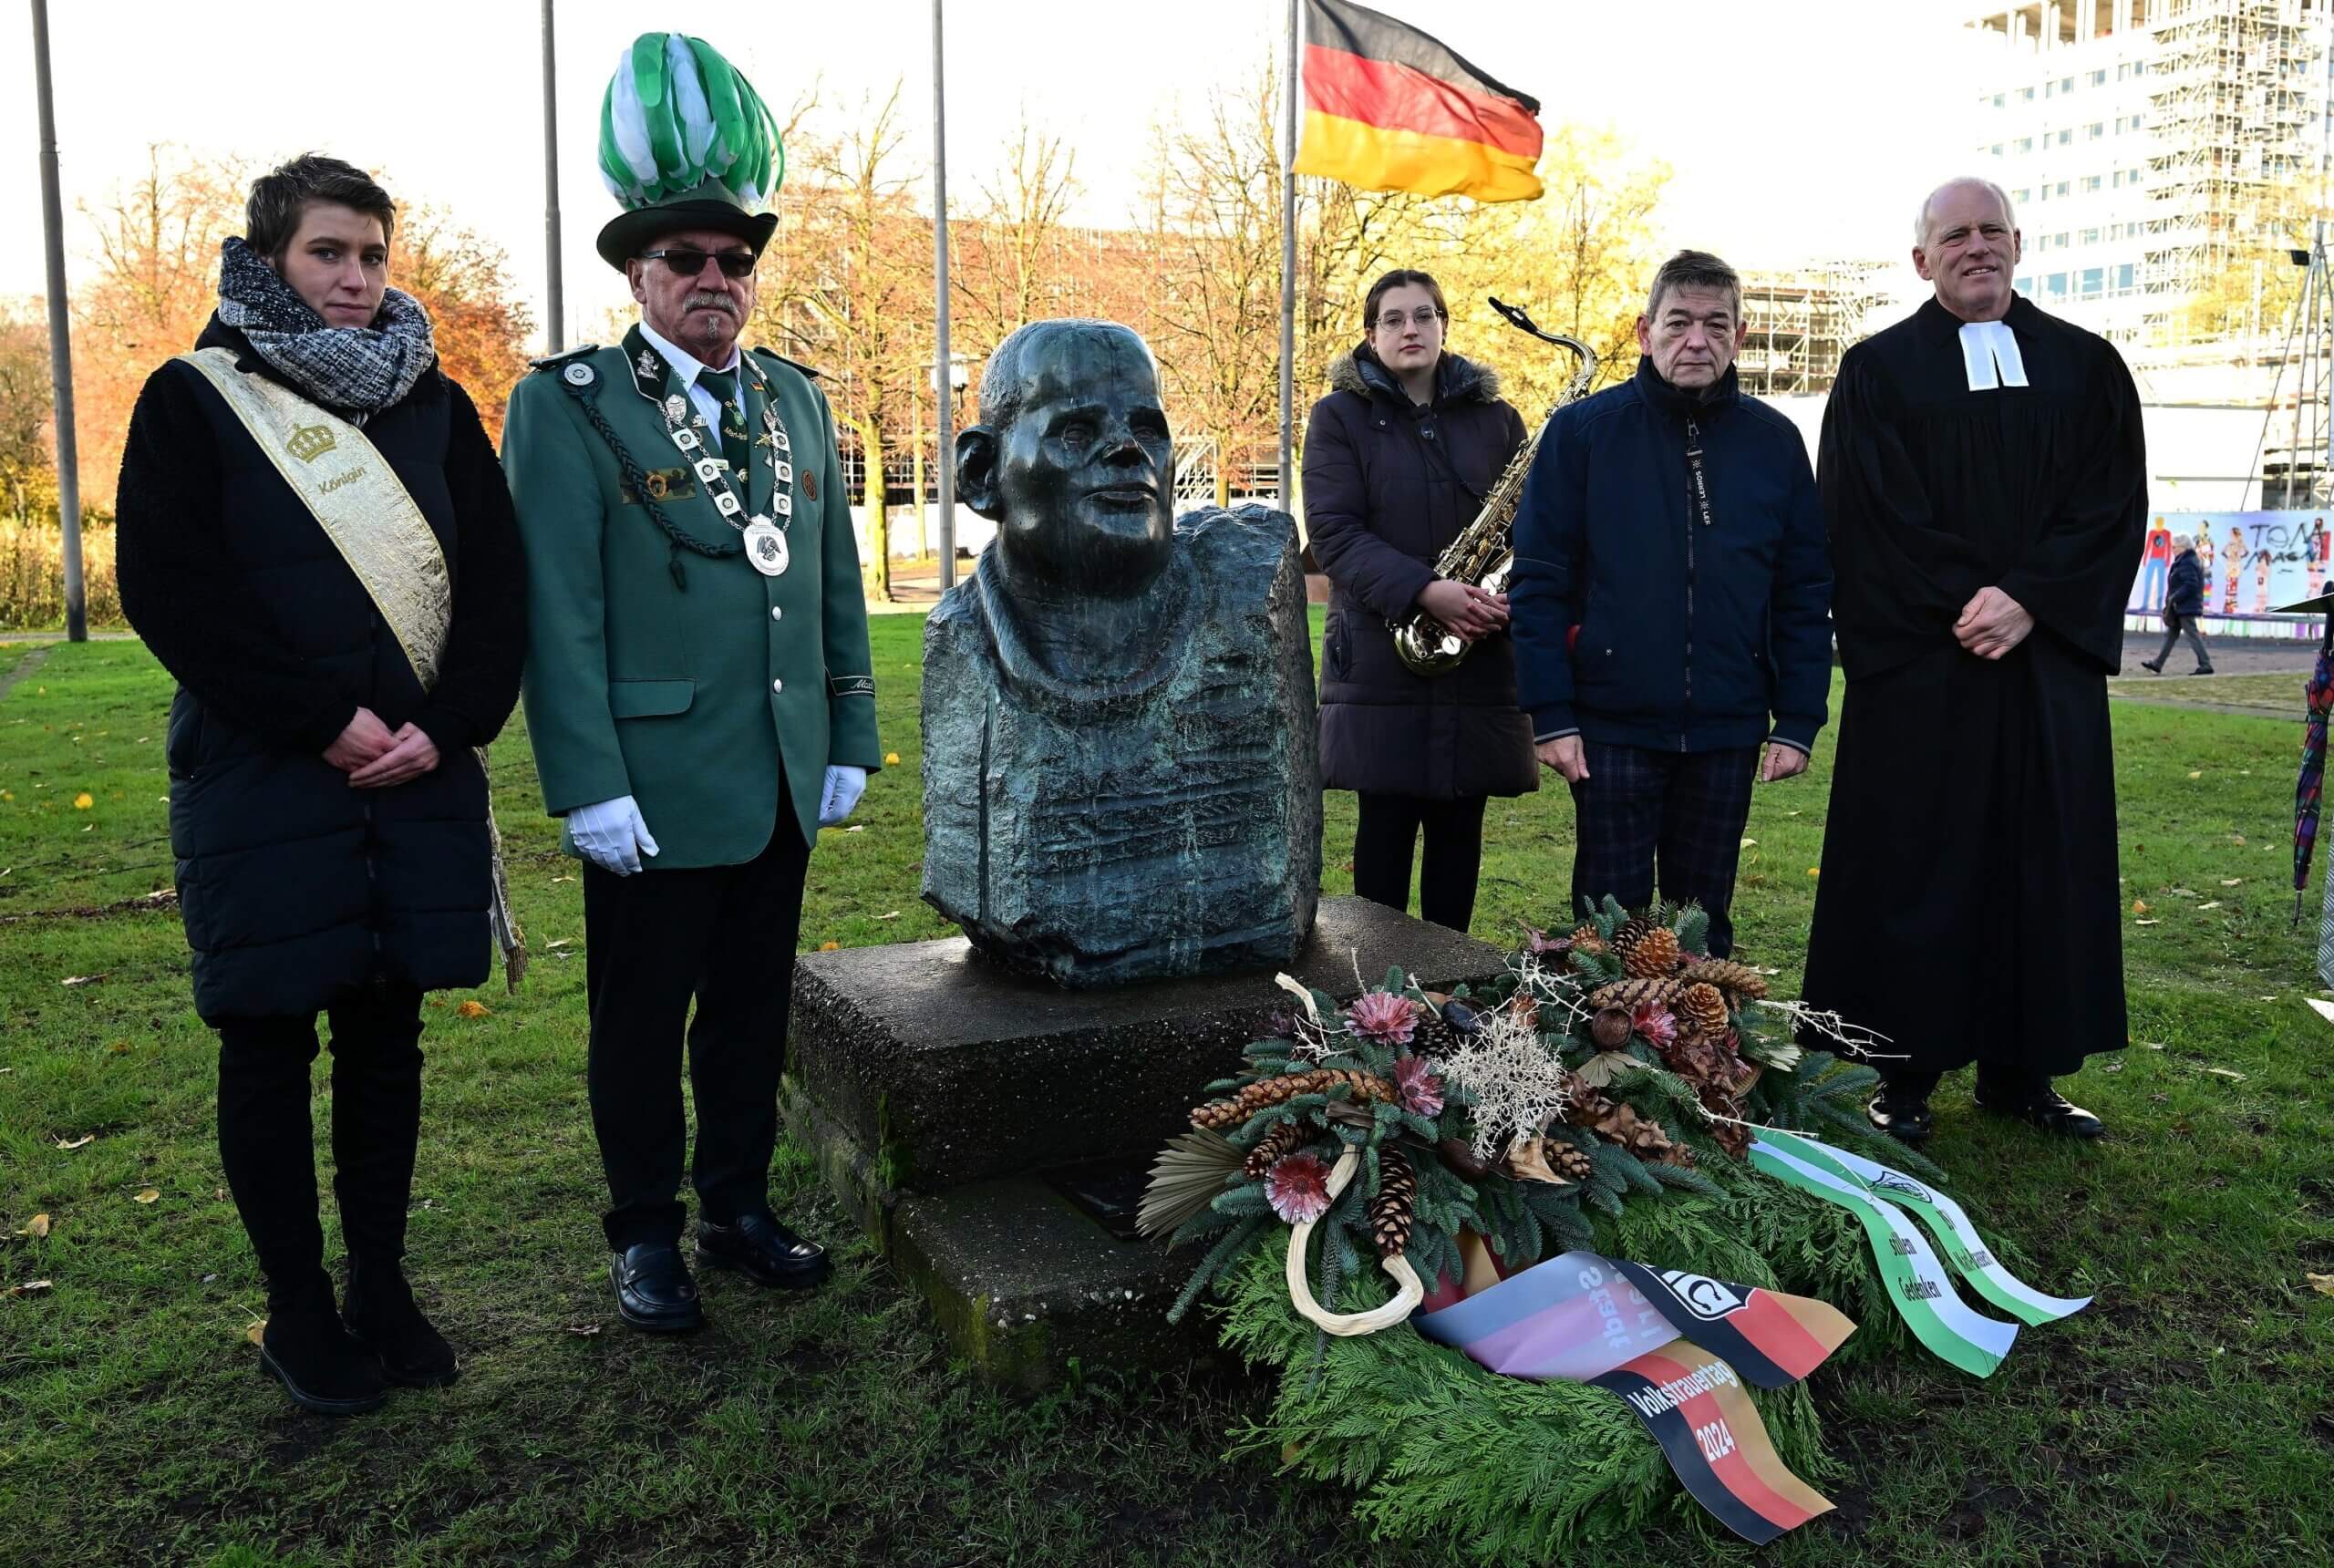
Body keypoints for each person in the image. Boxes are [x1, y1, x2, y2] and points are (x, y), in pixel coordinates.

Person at [115, 154, 526, 1414]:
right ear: (267, 258)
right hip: (266, 776)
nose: (355, 281)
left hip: (412, 773)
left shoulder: (438, 405)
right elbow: (171, 591)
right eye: (327, 255)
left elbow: (500, 590)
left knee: (388, 1037)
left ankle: (382, 1289)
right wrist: (322, 721)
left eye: (371, 257)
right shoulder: (194, 402)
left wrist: (449, 726)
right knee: (270, 1037)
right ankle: (298, 1310)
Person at [504, 34, 879, 1334]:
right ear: (637, 273)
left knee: (749, 1013)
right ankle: (645, 1232)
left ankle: (735, 1205)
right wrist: (586, 783)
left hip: (777, 771)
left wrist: (849, 728)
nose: (715, 279)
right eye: (686, 261)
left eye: (734, 261)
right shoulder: (571, 403)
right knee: (640, 1022)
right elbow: (558, 611)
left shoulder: (795, 403)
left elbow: (829, 578)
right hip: (652, 787)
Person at [1803, 178, 2145, 1144]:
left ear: (2019, 243)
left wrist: (2031, 597)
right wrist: (1973, 603)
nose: (1975, 245)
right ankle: (1901, 1078)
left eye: (1991, 229)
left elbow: (2110, 502)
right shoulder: (1876, 372)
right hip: (1925, 669)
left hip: (2044, 670)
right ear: (1921, 259)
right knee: (1919, 862)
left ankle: (2023, 1072)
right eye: (1953, 234)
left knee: (2040, 866)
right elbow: (1867, 515)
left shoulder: (2087, 367)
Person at [1508, 250, 1832, 958]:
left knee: (1700, 931)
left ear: (1740, 337)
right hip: (1609, 724)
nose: (1697, 340)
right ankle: (1607, 1071)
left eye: (1717, 325)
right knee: (1610, 934)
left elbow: (1804, 589)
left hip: (1728, 725)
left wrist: (1799, 717)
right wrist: (1552, 715)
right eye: (1679, 321)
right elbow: (1537, 580)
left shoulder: (1773, 442)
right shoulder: (1582, 434)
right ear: (1644, 330)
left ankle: (1699, 1070)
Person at [1302, 269, 1537, 933]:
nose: (1411, 329)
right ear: (1371, 333)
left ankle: (1448, 993)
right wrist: (1425, 592)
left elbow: (1534, 530)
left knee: (1461, 833)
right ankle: (1375, 1008)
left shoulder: (1497, 420)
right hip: (1383, 655)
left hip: (1479, 650)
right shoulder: (1337, 418)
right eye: (1395, 318)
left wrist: (1503, 598)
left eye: (1425, 316)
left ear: (1444, 326)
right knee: (1384, 832)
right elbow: (1334, 533)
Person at [2141, 534, 2212, 674]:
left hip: (2185, 606)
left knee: (2192, 634)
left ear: (2183, 548)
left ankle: (2205, 664)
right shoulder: (2187, 561)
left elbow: (2190, 585)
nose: (2172, 550)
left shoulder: (2186, 562)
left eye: (2174, 547)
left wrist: (2174, 598)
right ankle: (2157, 663)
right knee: (2171, 635)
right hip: (2181, 605)